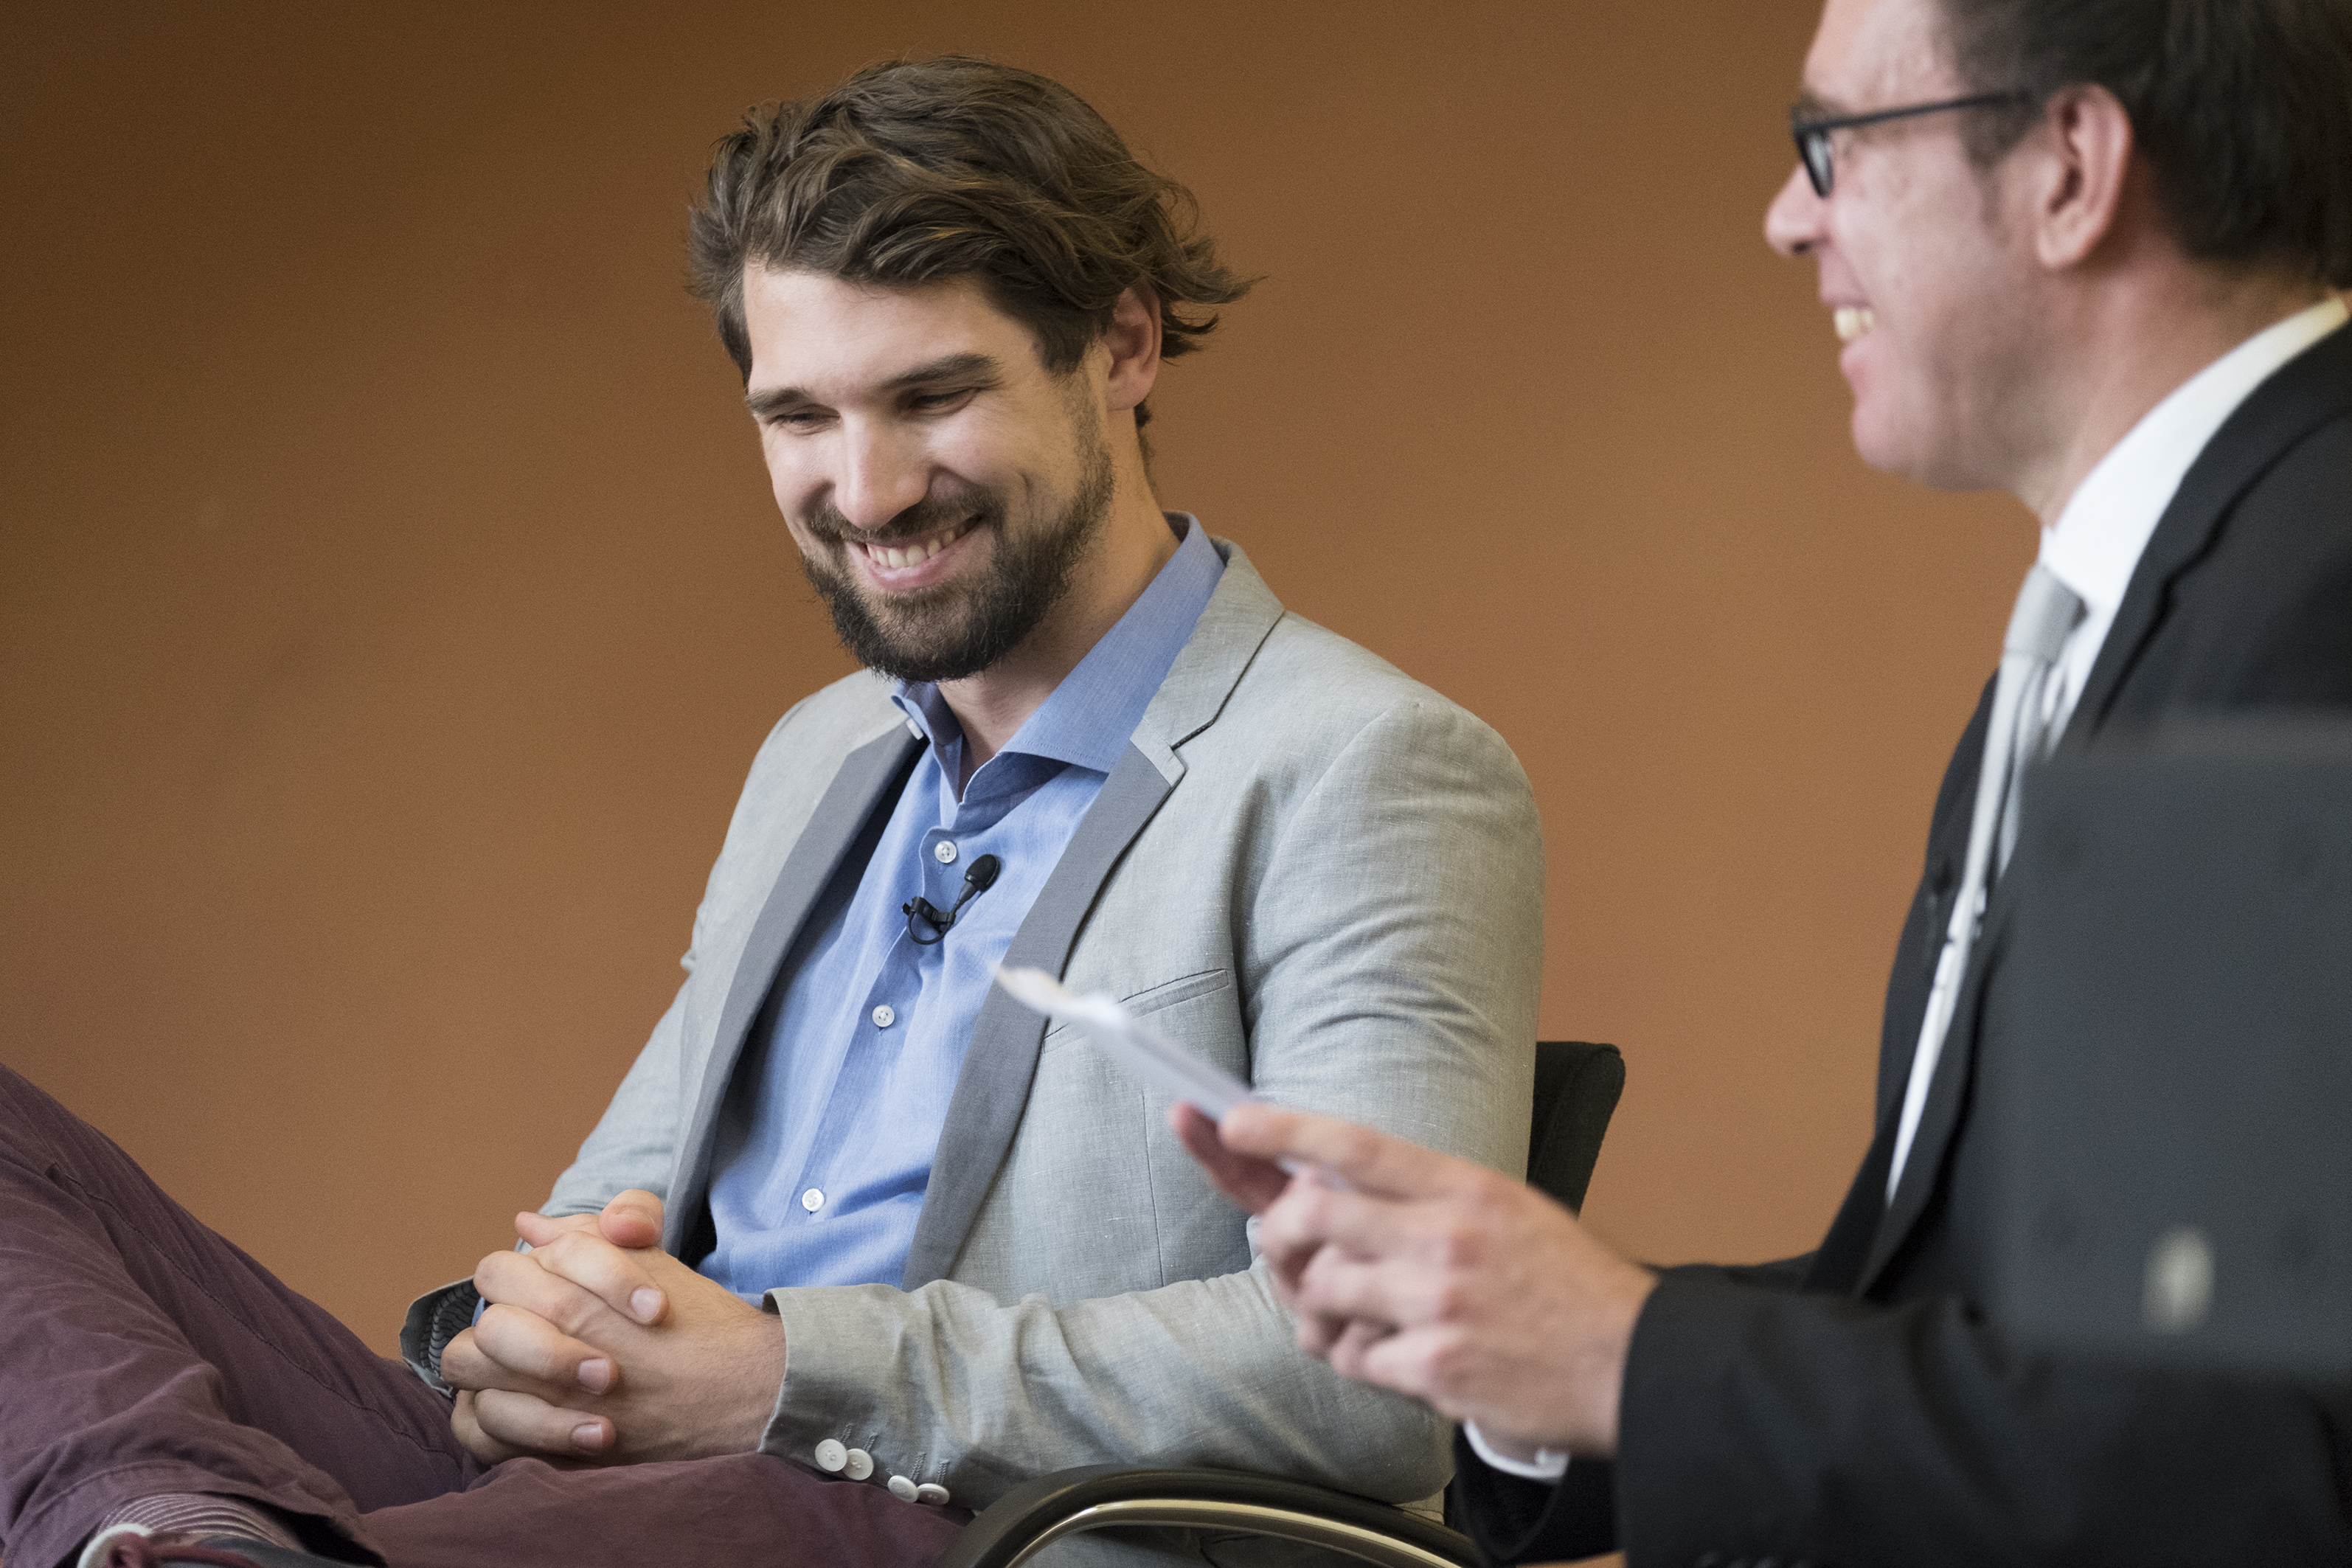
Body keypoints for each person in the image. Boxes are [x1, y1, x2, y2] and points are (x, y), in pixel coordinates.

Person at [0, 57, 1543, 1568]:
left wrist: (787, 1376)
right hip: (610, 1488)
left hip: (954, 1520)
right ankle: (186, 1539)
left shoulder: (1361, 764)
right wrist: (526, 1337)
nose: (864, 492)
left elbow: (1373, 1369)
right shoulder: (819, 753)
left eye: (931, 397)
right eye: (798, 416)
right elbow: (601, 1220)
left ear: (1121, 347)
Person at [1181, 0, 2352, 1562]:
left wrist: (1621, 1350)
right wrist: (1509, 1331)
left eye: (1833, 145)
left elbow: (2231, 1450)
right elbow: (1996, 1322)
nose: (1785, 216)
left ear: (2068, 168)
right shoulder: (2149, 603)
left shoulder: (2303, 603)